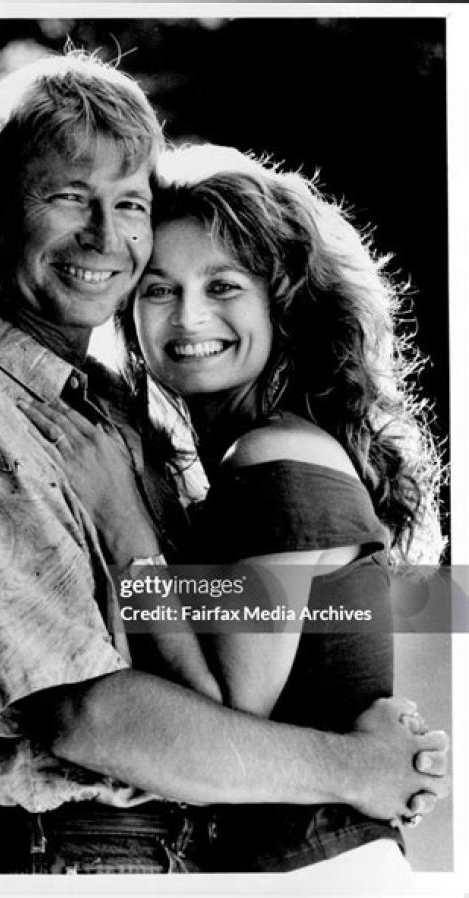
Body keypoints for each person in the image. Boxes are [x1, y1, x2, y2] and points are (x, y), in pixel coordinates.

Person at [0, 54, 448, 876]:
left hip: (209, 855)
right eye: (69, 196)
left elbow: (239, 661)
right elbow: (88, 714)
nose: (105, 236)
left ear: (280, 301)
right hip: (86, 851)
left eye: (128, 203)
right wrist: (357, 766)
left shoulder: (112, 408)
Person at [24, 143, 448, 874]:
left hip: (318, 875)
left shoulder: (276, 459)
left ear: (282, 302)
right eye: (159, 289)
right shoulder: (246, 461)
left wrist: (123, 528)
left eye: (223, 286)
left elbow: (224, 720)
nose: (189, 317)